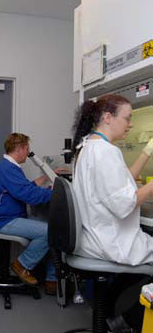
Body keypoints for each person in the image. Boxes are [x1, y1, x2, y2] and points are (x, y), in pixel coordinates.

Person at [72, 94, 153, 332]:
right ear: (107, 118)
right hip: (108, 240)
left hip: (95, 235)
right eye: (127, 118)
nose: (130, 124)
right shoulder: (105, 152)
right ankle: (127, 321)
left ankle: (108, 313)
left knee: (134, 270)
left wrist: (147, 151)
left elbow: (124, 178)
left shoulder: (89, 145)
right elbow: (125, 204)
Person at [0, 133, 57, 295]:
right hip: (2, 221)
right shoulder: (7, 168)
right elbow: (28, 195)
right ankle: (22, 265)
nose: (28, 153)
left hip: (12, 216)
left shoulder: (11, 167)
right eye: (27, 149)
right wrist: (54, 194)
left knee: (54, 227)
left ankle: (52, 279)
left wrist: (46, 179)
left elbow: (25, 188)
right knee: (49, 231)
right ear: (20, 149)